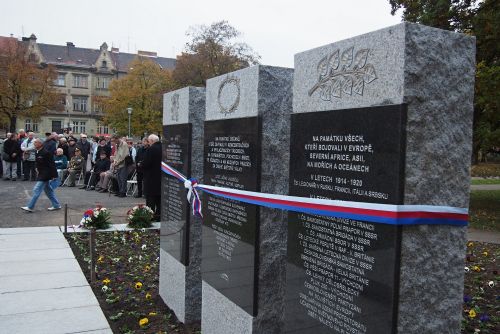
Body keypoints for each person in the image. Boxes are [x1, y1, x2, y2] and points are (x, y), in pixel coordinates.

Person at [21, 138, 60, 212]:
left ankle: (30, 207)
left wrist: (55, 175)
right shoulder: (37, 151)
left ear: (40, 144)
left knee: (36, 189)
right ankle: (56, 205)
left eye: (36, 142)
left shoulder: (46, 153)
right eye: (34, 142)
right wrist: (36, 168)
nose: (34, 143)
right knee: (48, 191)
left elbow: (52, 165)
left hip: (46, 174)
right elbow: (37, 162)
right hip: (41, 173)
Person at [142, 134, 162, 220]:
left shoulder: (151, 149)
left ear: (152, 141)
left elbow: (146, 163)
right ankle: (159, 216)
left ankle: (150, 216)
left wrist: (141, 164)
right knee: (159, 199)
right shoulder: (163, 147)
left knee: (151, 199)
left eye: (149, 141)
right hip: (161, 177)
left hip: (151, 178)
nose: (148, 143)